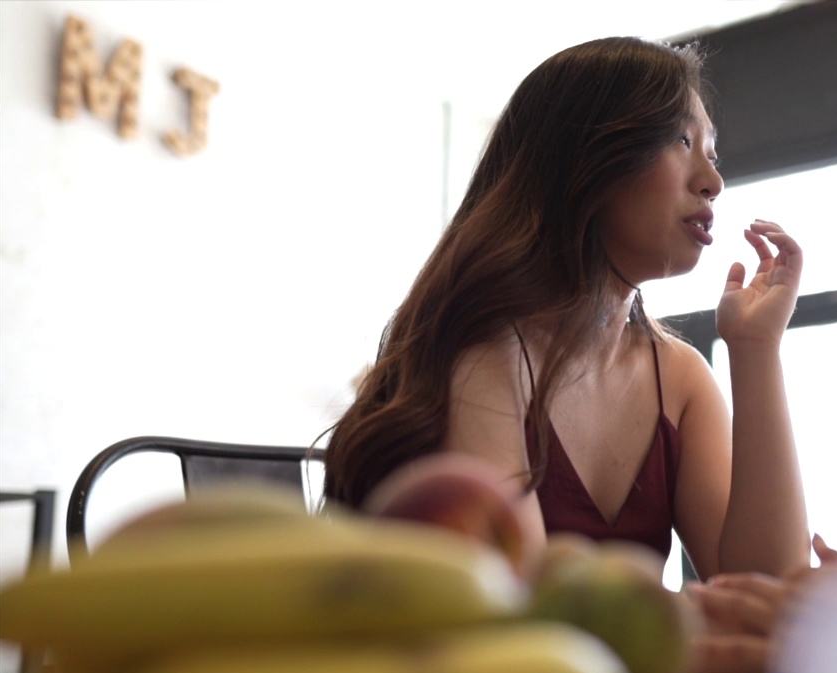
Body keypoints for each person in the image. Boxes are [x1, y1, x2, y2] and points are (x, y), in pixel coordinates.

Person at [322, 36, 810, 582]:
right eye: (682, 140)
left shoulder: (680, 378)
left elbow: (772, 594)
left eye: (712, 154)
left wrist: (755, 349)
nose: (713, 182)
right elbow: (521, 608)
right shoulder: (486, 356)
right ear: (590, 160)